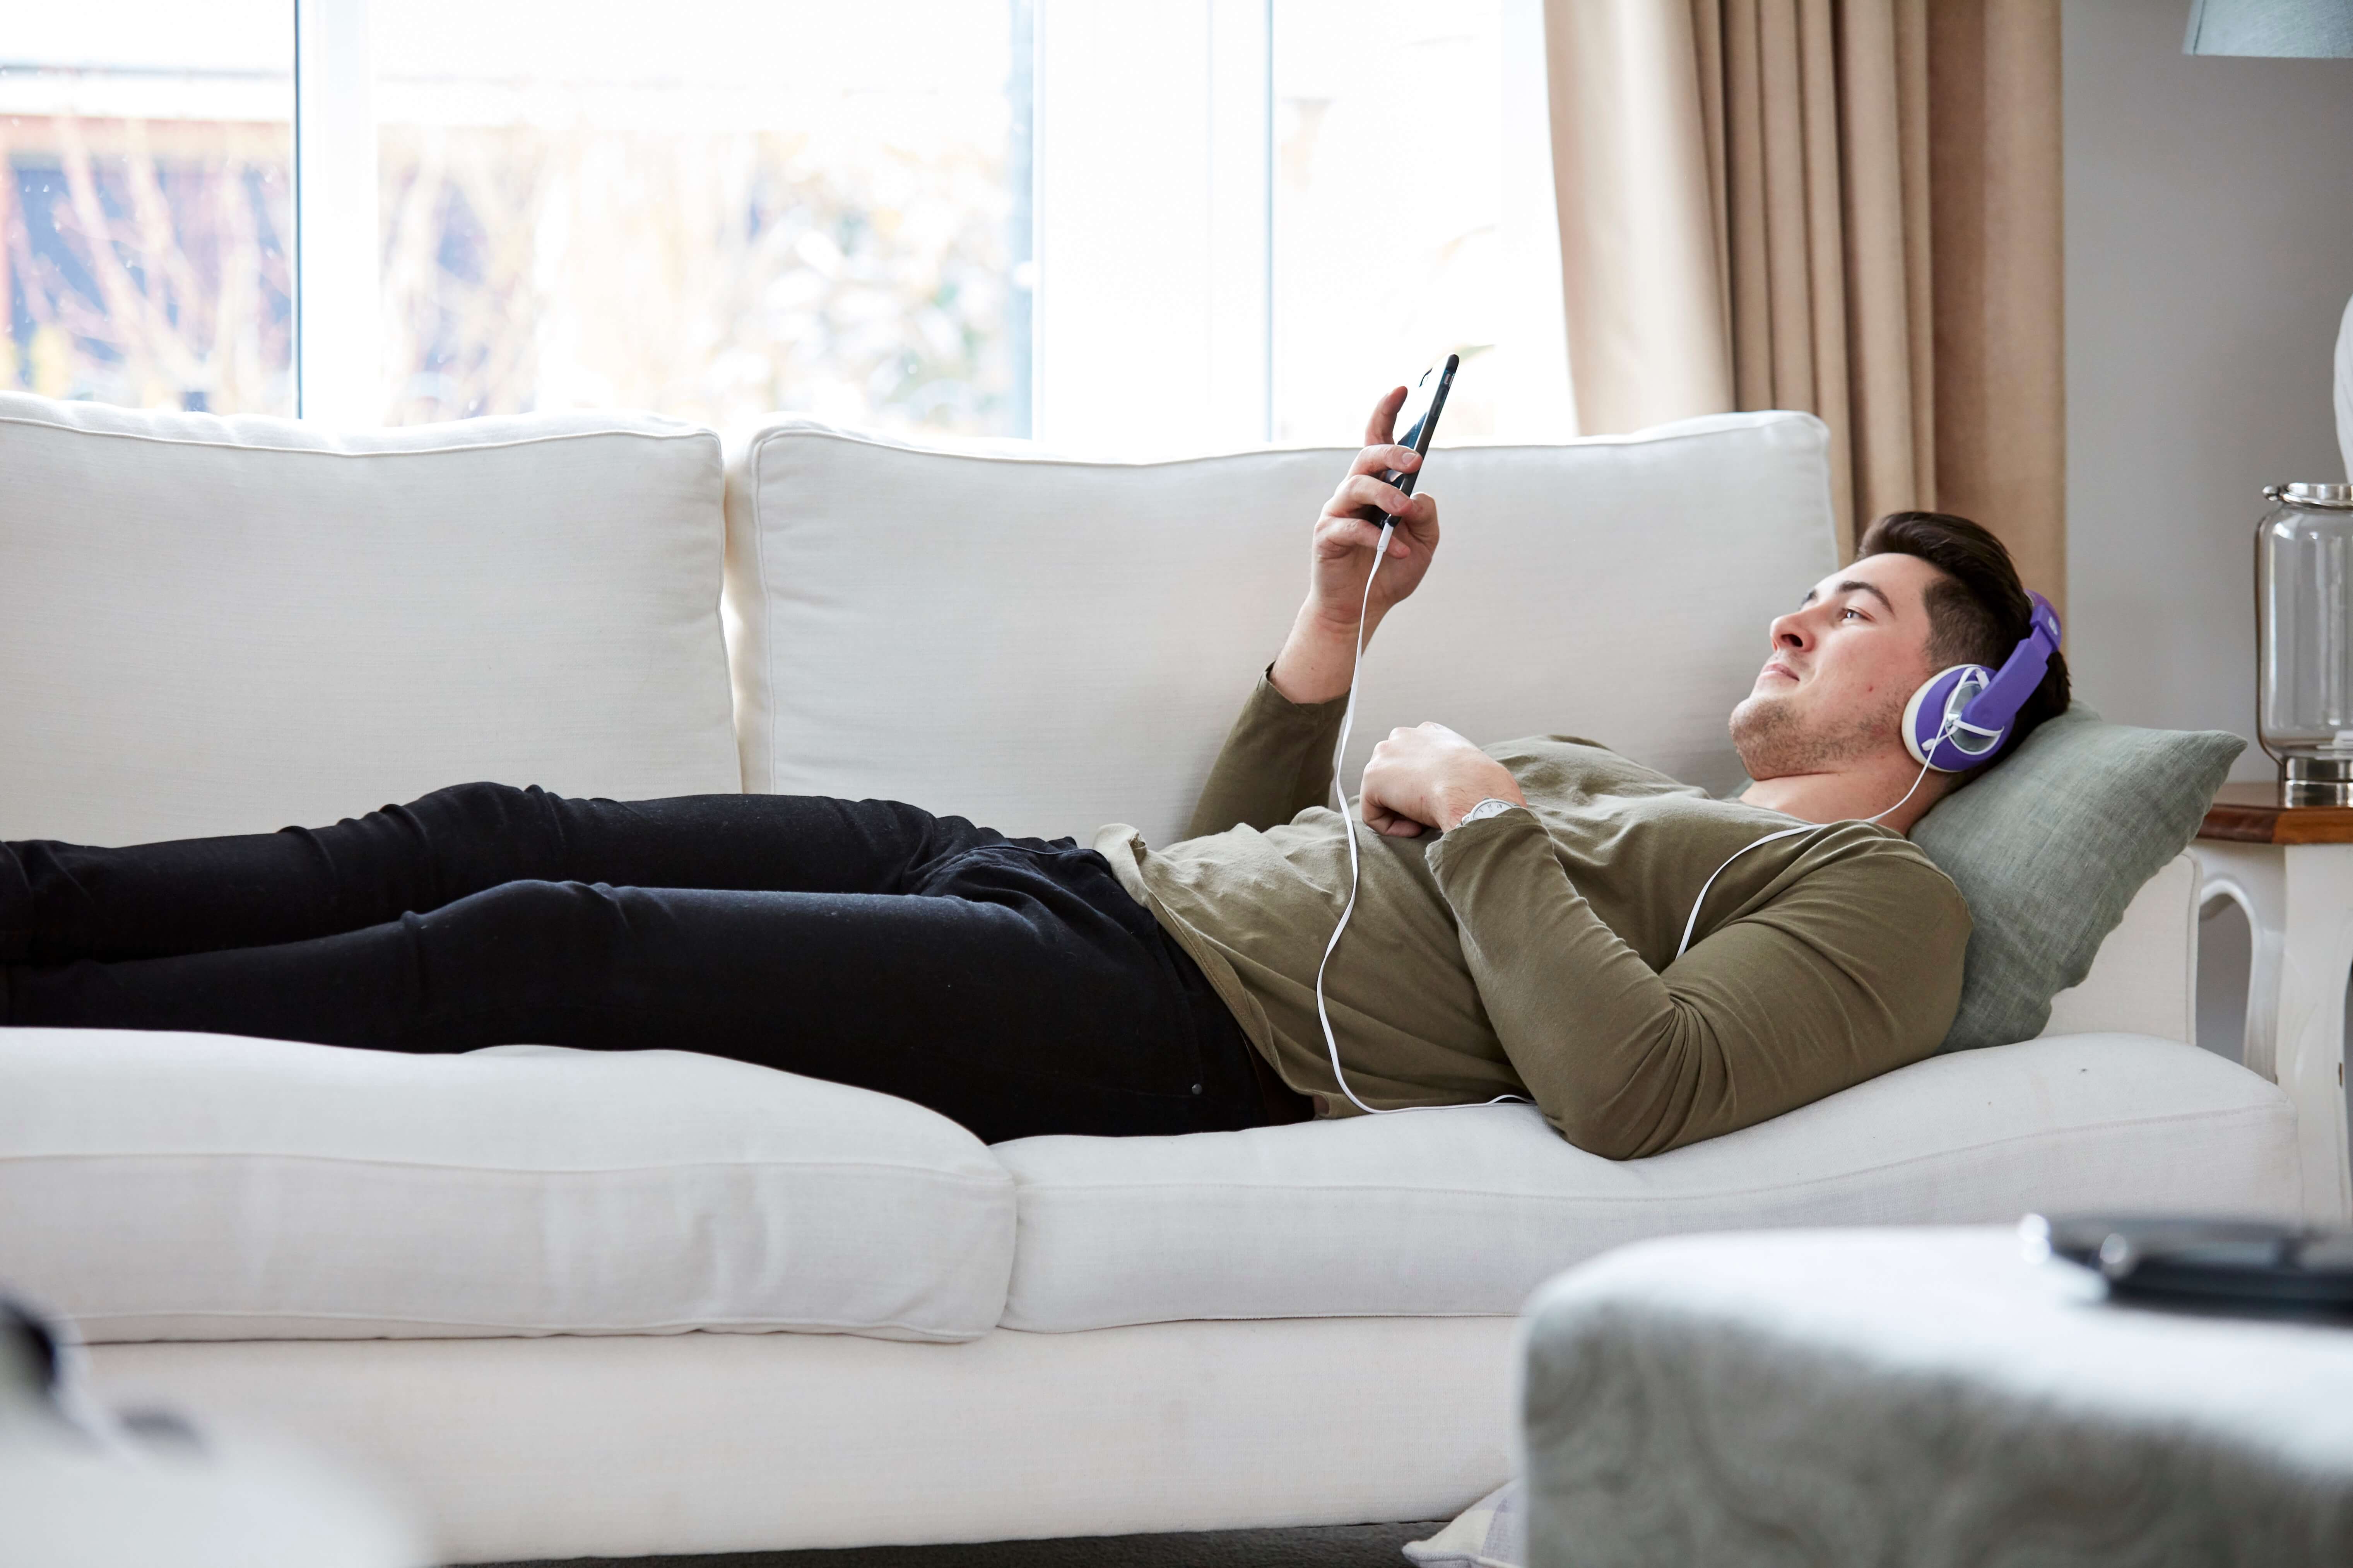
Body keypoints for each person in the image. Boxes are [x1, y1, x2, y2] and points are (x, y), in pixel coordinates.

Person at [0, 390, 2067, 1158]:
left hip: (1166, 1026)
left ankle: (44, 1026)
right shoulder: (1610, 780)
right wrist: (1337, 640)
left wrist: (1488, 815)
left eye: (1855, 608)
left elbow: (1640, 1090)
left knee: (543, 938)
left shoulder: (1883, 907)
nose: (1793, 618)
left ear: (1955, 720)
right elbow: (1252, 833)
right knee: (485, 831)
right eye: (1803, 585)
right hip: (1068, 881)